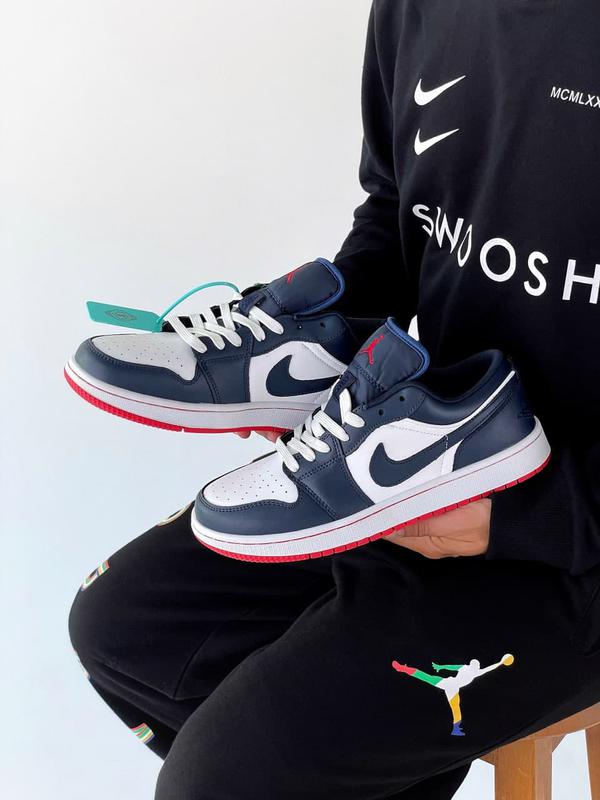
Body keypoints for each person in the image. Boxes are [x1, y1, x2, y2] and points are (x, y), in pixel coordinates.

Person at [69, 1, 600, 798]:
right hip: (423, 463)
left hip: (575, 545)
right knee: (127, 630)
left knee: (221, 778)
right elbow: (399, 207)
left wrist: (524, 518)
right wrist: (314, 340)